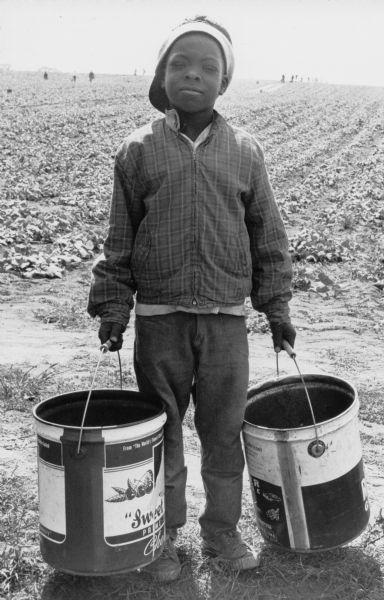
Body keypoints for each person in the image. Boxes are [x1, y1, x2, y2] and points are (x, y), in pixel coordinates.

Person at [88, 15, 295, 582]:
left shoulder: (246, 152)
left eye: (208, 67)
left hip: (226, 320)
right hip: (160, 321)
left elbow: (268, 236)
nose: (193, 75)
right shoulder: (138, 151)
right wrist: (114, 307)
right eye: (180, 64)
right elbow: (120, 238)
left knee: (224, 432)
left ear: (224, 81)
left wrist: (276, 307)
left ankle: (222, 532)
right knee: (163, 431)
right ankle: (165, 535)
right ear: (162, 74)